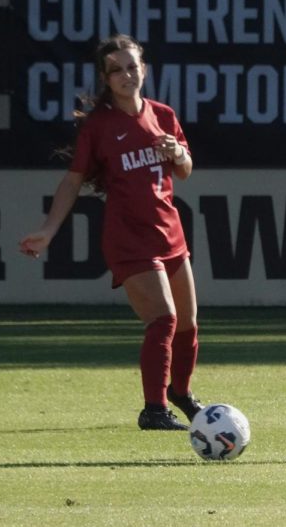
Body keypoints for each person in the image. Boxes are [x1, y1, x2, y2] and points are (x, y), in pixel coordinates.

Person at [19, 34, 204, 431]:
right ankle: (154, 410)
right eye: (116, 70)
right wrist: (49, 230)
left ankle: (181, 394)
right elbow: (73, 181)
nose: (126, 75)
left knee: (188, 323)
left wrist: (177, 153)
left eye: (132, 66)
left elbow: (185, 170)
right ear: (105, 79)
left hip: (169, 231)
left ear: (145, 69)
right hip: (128, 237)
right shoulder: (100, 126)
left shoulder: (163, 114)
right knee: (164, 318)